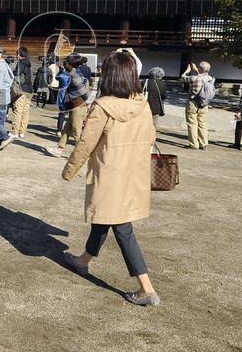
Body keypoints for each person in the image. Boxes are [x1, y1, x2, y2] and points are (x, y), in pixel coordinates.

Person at [62, 50, 160, 306]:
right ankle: (83, 260)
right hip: (133, 173)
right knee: (104, 218)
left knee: (122, 227)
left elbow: (86, 143)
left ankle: (146, 288)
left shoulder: (102, 106)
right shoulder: (143, 105)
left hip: (109, 174)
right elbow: (151, 138)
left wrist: (69, 169)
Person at [51, 54, 91, 157]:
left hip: (78, 106)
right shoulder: (74, 72)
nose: (65, 63)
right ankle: (59, 149)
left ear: (70, 64)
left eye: (66, 61)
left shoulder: (74, 75)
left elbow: (82, 91)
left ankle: (81, 154)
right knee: (67, 129)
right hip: (75, 105)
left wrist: (87, 103)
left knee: (76, 131)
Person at [181, 61, 214, 150]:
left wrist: (187, 70)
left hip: (193, 103)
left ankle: (194, 144)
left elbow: (183, 78)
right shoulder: (210, 79)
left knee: (192, 123)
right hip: (204, 104)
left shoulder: (194, 78)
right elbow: (203, 75)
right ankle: (203, 144)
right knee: (202, 123)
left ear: (200, 69)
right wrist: (198, 70)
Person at [10, 46, 33, 139]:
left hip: (21, 90)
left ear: (19, 54)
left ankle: (15, 131)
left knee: (18, 111)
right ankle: (22, 131)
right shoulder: (28, 63)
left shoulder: (21, 63)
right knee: (25, 111)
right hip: (29, 89)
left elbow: (16, 74)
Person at [144, 67, 167, 141]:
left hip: (144, 107)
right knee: (153, 125)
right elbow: (164, 96)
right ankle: (151, 140)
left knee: (144, 124)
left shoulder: (145, 82)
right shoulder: (162, 84)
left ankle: (142, 139)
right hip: (156, 108)